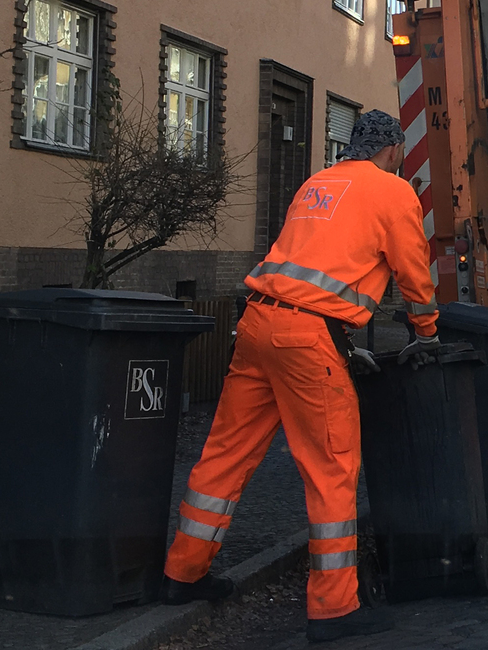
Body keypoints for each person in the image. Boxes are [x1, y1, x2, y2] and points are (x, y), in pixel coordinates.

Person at [160, 110, 441, 643]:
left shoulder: (317, 183)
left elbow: (318, 259)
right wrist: (425, 332)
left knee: (225, 453)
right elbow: (413, 272)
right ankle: (334, 607)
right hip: (309, 340)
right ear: (394, 150)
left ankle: (183, 572)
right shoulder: (392, 191)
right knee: (332, 465)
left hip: (257, 324)